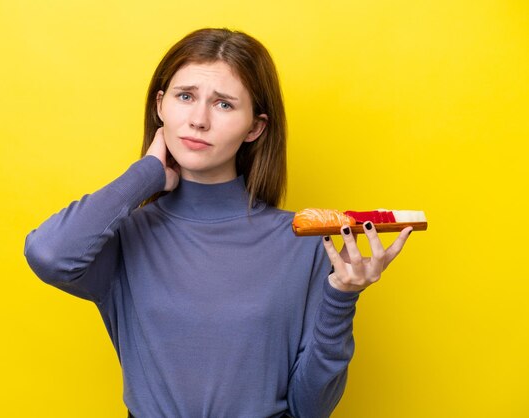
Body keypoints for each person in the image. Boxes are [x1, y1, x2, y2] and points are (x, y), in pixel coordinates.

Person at [24, 28, 411, 418]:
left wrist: (343, 295)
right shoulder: (127, 237)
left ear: (255, 127)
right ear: (161, 106)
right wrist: (146, 174)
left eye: (224, 104)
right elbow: (49, 253)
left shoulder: (304, 241)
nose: (198, 120)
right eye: (185, 96)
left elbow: (309, 408)